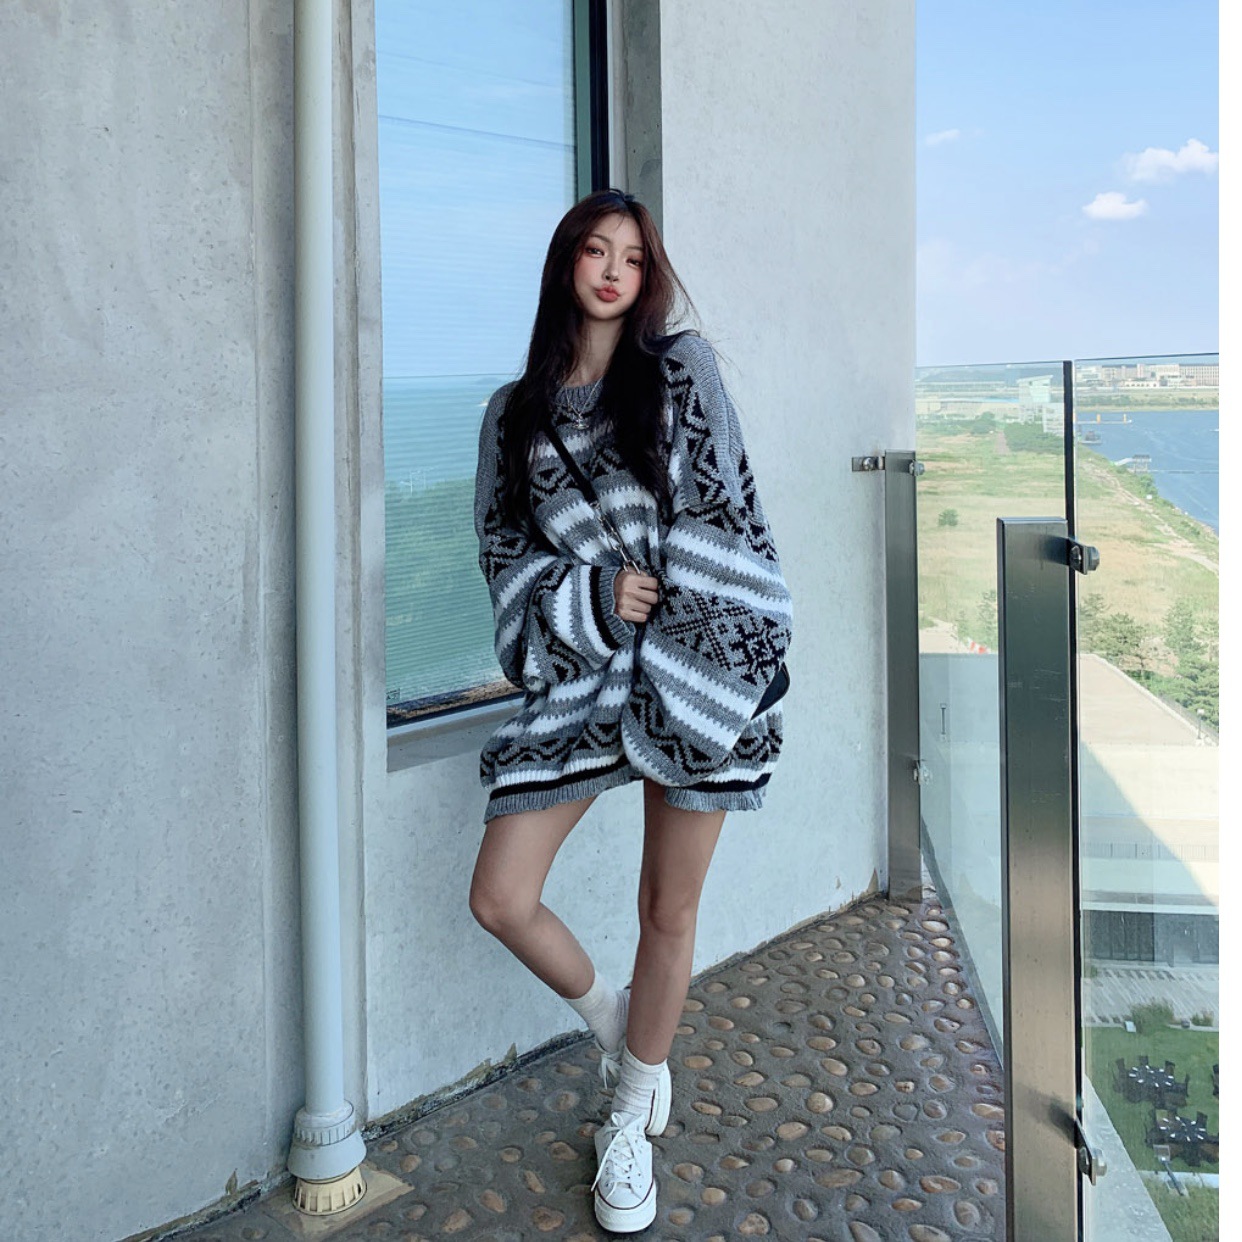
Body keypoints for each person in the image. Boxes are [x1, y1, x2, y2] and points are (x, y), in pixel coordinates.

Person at [469, 188, 793, 1232]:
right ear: (566, 262)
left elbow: (728, 513)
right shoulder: (512, 415)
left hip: (697, 666)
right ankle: (620, 1027)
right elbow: (505, 560)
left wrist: (689, 647)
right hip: (587, 670)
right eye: (595, 251)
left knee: (668, 907)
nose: (613, 271)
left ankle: (633, 1113)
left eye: (634, 258)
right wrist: (595, 600)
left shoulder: (680, 371)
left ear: (650, 277)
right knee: (500, 896)